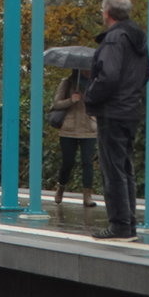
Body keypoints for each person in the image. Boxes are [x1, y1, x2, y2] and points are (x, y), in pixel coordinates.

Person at [83, 0, 149, 240]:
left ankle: (120, 225)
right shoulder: (138, 40)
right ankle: (129, 223)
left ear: (107, 12)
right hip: (131, 110)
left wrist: (91, 96)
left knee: (113, 169)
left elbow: (108, 76)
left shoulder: (114, 39)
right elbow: (146, 74)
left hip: (112, 111)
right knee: (125, 168)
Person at [50, 68, 97, 208]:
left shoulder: (96, 83)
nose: (88, 70)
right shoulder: (68, 82)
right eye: (85, 68)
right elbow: (56, 103)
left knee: (87, 163)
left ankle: (87, 196)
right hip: (69, 129)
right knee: (68, 162)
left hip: (89, 128)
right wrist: (71, 100)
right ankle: (61, 188)